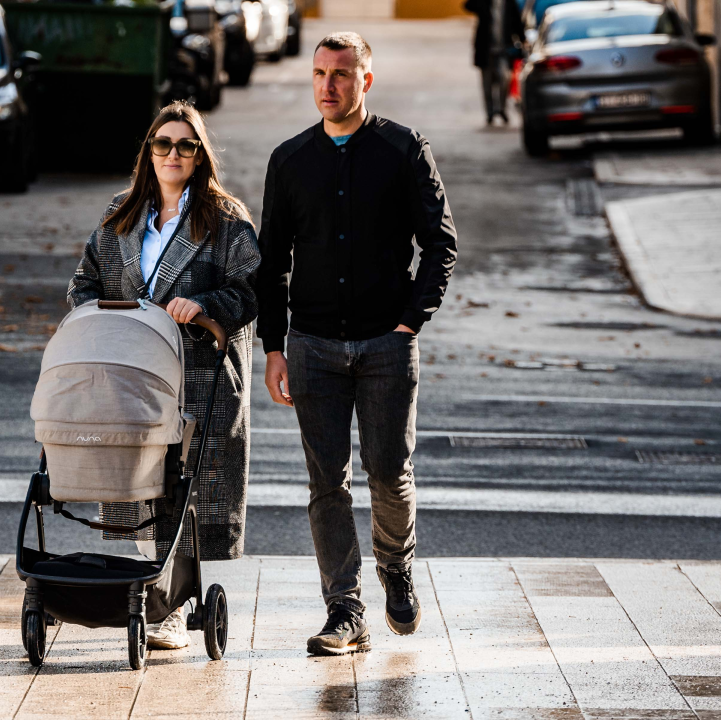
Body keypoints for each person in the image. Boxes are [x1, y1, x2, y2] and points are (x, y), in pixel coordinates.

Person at [256, 32, 457, 656]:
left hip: (385, 347)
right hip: (312, 346)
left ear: (366, 80)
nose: (327, 86)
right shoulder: (289, 161)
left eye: (341, 74)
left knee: (390, 475)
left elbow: (441, 244)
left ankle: (395, 565)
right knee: (327, 483)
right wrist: (273, 345)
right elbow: (271, 265)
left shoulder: (402, 149)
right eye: (319, 73)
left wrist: (409, 322)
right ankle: (345, 610)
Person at [68, 101, 260, 650]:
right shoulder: (120, 214)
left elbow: (250, 293)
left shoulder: (225, 221)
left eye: (185, 145)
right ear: (148, 152)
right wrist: (103, 316)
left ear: (199, 156)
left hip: (199, 374)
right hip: (131, 377)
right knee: (140, 487)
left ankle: (172, 606)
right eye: (162, 143)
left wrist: (198, 306)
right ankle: (149, 590)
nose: (172, 154)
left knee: (185, 490)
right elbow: (82, 285)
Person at [465, 0, 523, 124]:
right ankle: (490, 113)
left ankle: (501, 108)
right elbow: (468, 5)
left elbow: (517, 22)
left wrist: (523, 40)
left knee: (504, 79)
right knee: (487, 84)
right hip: (485, 50)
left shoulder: (509, 3)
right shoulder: (484, 2)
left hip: (503, 51)